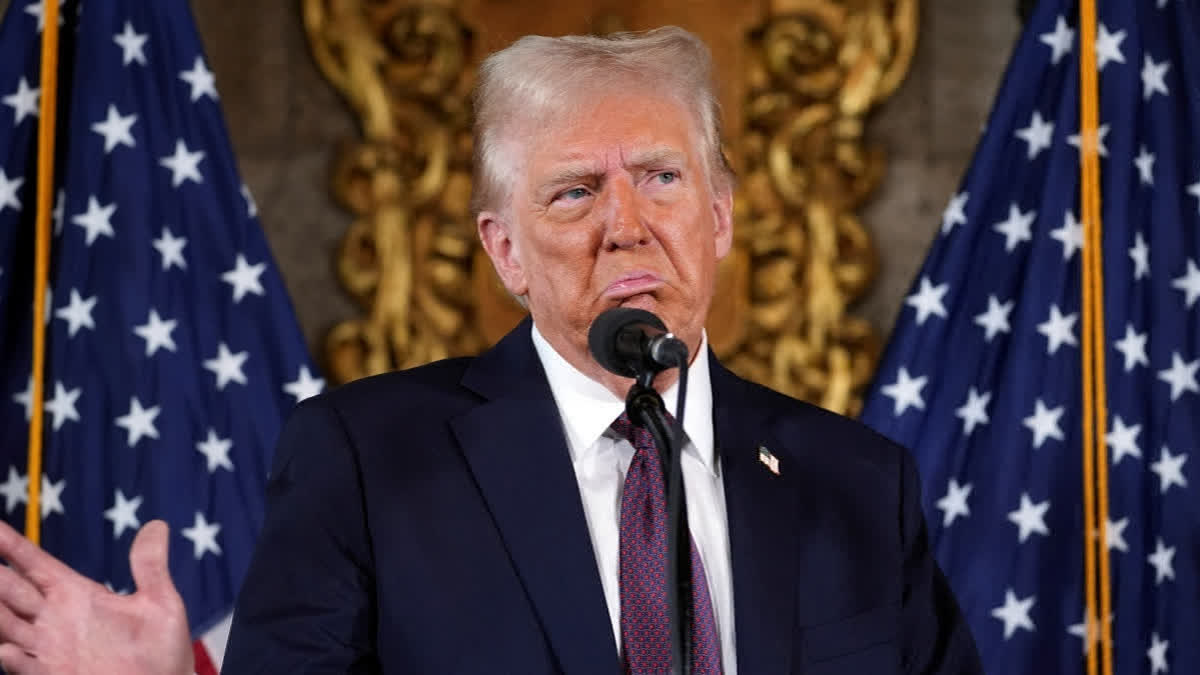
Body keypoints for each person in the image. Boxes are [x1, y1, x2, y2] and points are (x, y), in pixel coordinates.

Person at [0, 27, 982, 674]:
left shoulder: (857, 480)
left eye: (661, 176)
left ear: (720, 216)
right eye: (573, 191)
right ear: (503, 250)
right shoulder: (364, 460)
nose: (626, 225)